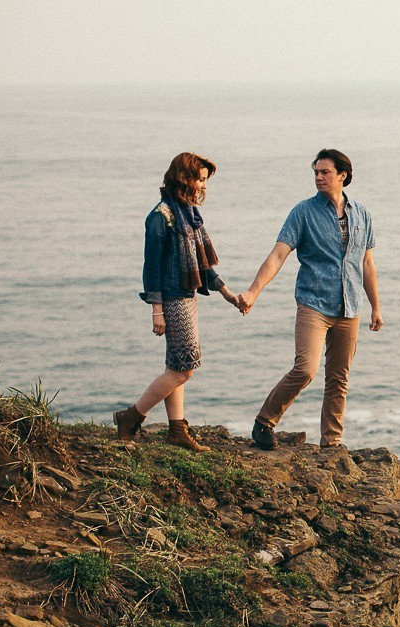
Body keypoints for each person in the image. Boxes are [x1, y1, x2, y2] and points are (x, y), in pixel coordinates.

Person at [237, 148, 383, 450]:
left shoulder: (362, 214)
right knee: (306, 368)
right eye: (315, 172)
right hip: (313, 303)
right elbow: (279, 254)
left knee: (339, 378)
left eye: (324, 172)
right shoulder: (303, 212)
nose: (318, 177)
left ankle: (331, 442)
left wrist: (376, 308)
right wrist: (253, 292)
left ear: (342, 175)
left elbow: (366, 263)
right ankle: (265, 422)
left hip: (350, 306)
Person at [114, 152, 241, 451]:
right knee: (183, 369)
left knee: (176, 364)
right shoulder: (161, 217)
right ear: (185, 179)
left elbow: (203, 266)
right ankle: (130, 417)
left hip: (187, 297)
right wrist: (156, 310)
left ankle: (176, 430)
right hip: (172, 300)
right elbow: (152, 268)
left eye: (206, 181)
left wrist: (228, 294)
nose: (204, 187)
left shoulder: (190, 214)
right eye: (200, 180)